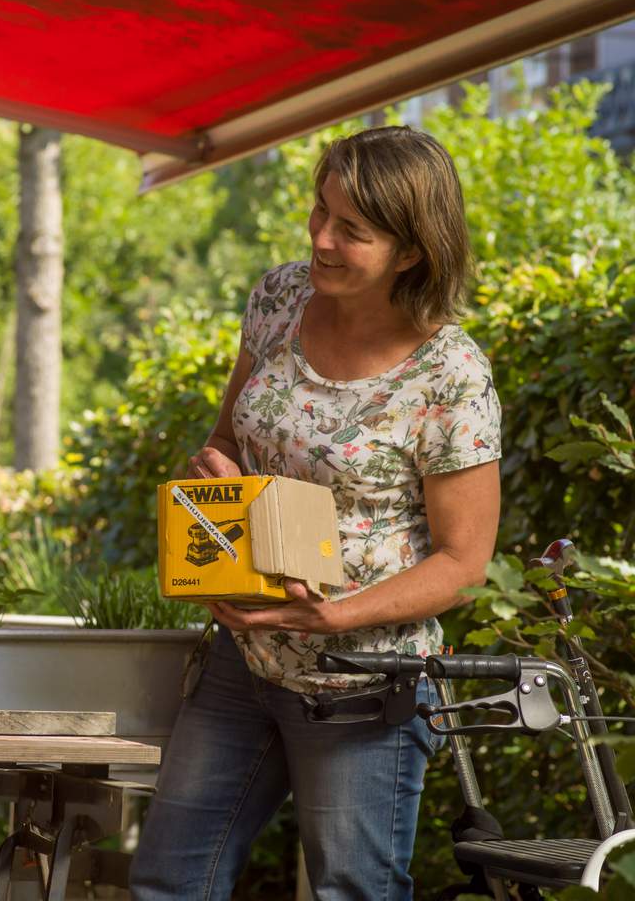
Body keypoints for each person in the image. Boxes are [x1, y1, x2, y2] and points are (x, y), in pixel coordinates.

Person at [129, 126, 502, 900]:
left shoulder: (451, 374)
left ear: (410, 250)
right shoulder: (278, 298)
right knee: (170, 880)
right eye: (319, 212)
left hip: (366, 686)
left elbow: (464, 566)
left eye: (352, 231)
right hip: (245, 658)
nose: (321, 240)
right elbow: (228, 434)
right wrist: (215, 468)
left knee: (352, 892)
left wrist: (339, 619)